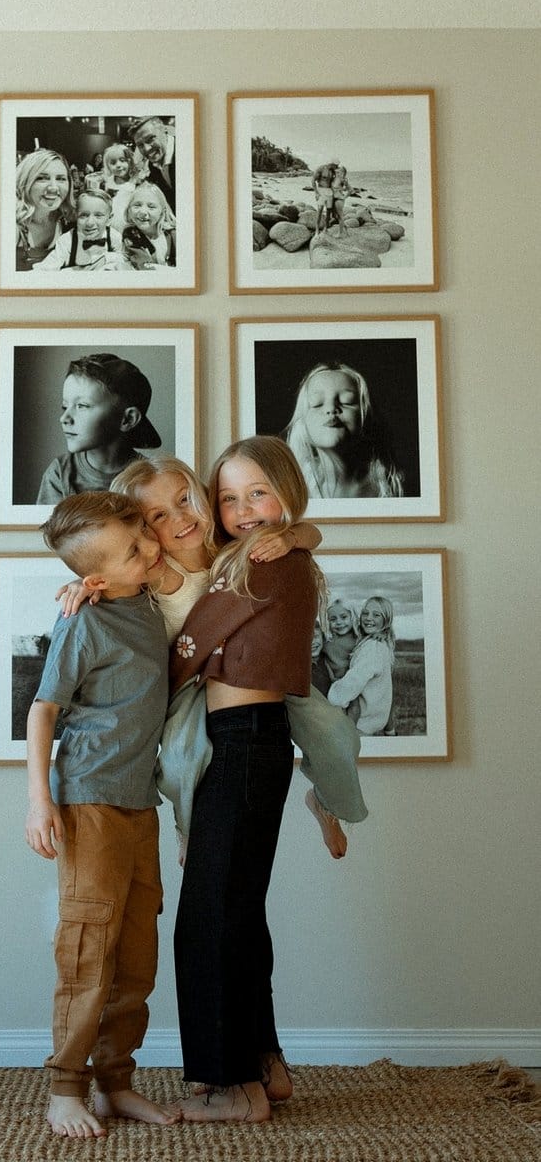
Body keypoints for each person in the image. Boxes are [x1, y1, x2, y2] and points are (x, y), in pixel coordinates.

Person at [58, 454, 364, 860]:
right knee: (180, 761)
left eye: (185, 499)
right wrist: (81, 585)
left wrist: (290, 538)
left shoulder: (234, 545)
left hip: (258, 671)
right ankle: (187, 827)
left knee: (338, 734)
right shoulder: (148, 574)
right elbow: (104, 569)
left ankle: (327, 803)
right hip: (192, 684)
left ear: (203, 495)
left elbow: (313, 532)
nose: (181, 518)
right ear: (142, 530)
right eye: (159, 516)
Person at [169, 436, 327, 1123]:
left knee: (208, 919)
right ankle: (265, 1063)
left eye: (258, 492)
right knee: (236, 910)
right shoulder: (277, 554)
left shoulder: (268, 561)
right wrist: (299, 530)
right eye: (228, 498)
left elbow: (191, 644)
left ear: (288, 492)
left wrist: (148, 687)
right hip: (251, 741)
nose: (243, 509)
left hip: (243, 741)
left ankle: (232, 1086)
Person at [24, 491, 180, 1139]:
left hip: (140, 802)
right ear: (93, 579)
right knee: (89, 947)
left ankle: (117, 1083)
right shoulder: (81, 622)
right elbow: (43, 710)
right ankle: (66, 1087)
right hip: (88, 800)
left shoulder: (149, 600)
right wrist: (39, 800)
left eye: (144, 535)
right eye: (132, 551)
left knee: (137, 952)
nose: (150, 549)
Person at [36, 354, 161, 504]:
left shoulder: (152, 477)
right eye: (65, 406)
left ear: (128, 419)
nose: (64, 418)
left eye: (82, 406)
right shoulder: (61, 473)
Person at [284, 361, 406, 499]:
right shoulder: (289, 490)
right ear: (302, 422)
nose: (331, 409)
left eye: (347, 401)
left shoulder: (392, 487)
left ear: (365, 416)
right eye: (317, 403)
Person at [328, 596, 396, 735]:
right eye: (365, 613)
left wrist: (334, 696)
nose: (368, 618)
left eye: (376, 615)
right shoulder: (375, 642)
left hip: (361, 725)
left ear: (386, 619)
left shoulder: (372, 647)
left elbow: (354, 681)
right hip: (369, 723)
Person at [32, 189, 127, 271]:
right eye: (84, 215)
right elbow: (47, 267)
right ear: (76, 216)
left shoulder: (114, 237)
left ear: (109, 219)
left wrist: (107, 258)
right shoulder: (67, 240)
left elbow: (124, 259)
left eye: (98, 215)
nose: (90, 223)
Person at [15, 149, 76, 271]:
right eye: (42, 178)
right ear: (25, 181)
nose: (53, 188)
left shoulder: (68, 222)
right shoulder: (13, 225)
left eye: (61, 179)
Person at [119, 183, 177, 269]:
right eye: (137, 205)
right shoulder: (131, 234)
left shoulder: (173, 233)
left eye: (151, 207)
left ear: (162, 211)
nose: (143, 212)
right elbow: (144, 266)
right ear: (129, 209)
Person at [130, 116, 176, 210]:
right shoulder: (152, 165)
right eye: (140, 145)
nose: (147, 149)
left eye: (150, 139)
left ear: (165, 131)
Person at [311, 158, 338, 235]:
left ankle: (325, 228)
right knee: (320, 210)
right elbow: (313, 180)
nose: (336, 167)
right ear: (331, 164)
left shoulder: (333, 171)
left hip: (329, 191)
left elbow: (334, 183)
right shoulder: (321, 168)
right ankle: (317, 229)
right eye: (335, 165)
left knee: (328, 211)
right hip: (321, 190)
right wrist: (316, 193)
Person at [331, 164, 351, 236]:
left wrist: (344, 197)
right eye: (337, 171)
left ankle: (340, 233)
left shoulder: (343, 180)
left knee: (340, 216)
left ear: (343, 172)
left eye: (339, 171)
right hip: (333, 199)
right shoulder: (334, 179)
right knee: (334, 216)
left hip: (339, 199)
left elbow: (350, 190)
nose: (337, 172)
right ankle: (344, 226)